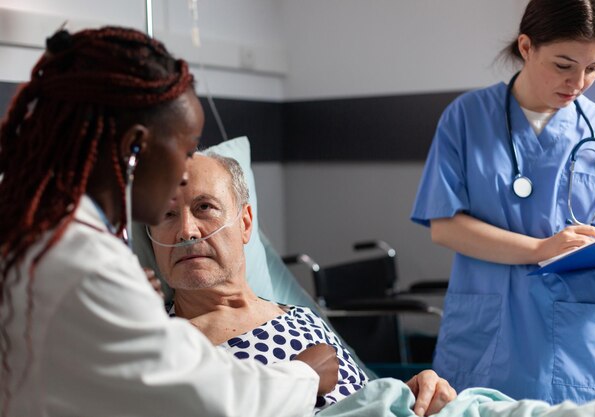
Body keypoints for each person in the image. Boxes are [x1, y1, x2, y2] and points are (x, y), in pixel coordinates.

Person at [0, 26, 341, 417]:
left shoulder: (46, 237)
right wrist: (303, 374)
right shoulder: (83, 263)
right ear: (134, 148)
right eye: (185, 149)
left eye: (206, 207)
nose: (184, 174)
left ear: (246, 224)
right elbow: (207, 402)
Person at [411, 0, 595, 405]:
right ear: (527, 47)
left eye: (593, 68)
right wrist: (541, 249)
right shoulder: (466, 118)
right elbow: (444, 224)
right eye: (564, 65)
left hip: (582, 342)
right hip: (490, 337)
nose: (578, 82)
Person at [146, 152, 457, 416]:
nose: (187, 231)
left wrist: (411, 395)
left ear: (244, 223)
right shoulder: (157, 343)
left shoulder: (301, 318)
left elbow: (356, 402)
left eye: (204, 208)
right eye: (167, 214)